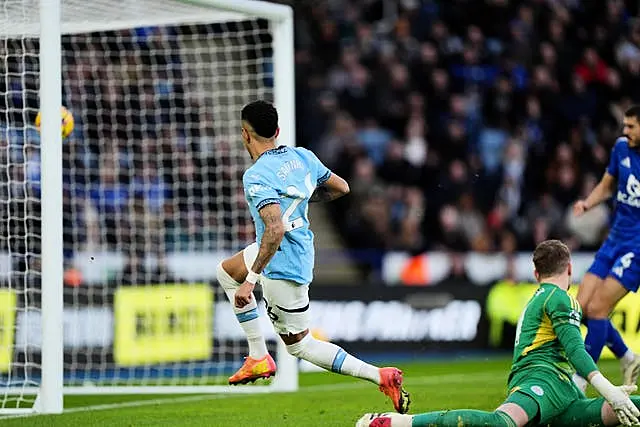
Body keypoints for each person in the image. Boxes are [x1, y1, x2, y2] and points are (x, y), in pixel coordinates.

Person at [216, 100, 410, 413]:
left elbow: (275, 231)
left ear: (245, 136)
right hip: (293, 248)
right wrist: (301, 197)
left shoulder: (256, 176)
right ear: (277, 131)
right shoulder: (302, 157)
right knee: (225, 272)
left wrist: (250, 281)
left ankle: (380, 376)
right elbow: (341, 187)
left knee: (300, 346)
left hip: (282, 263)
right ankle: (256, 356)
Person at [356, 240, 640, 427]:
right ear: (569, 268)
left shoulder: (543, 298)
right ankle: (397, 423)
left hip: (554, 386)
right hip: (541, 382)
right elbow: (577, 349)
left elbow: (587, 335)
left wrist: (604, 386)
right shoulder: (560, 298)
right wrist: (609, 388)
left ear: (535, 273)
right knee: (503, 423)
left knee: (624, 410)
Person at [572, 106, 640, 391]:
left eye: (631, 127)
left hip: (637, 247)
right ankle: (627, 357)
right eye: (624, 126)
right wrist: (588, 202)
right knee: (582, 308)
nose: (625, 132)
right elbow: (608, 185)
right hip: (614, 239)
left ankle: (580, 383)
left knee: (598, 309)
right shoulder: (621, 149)